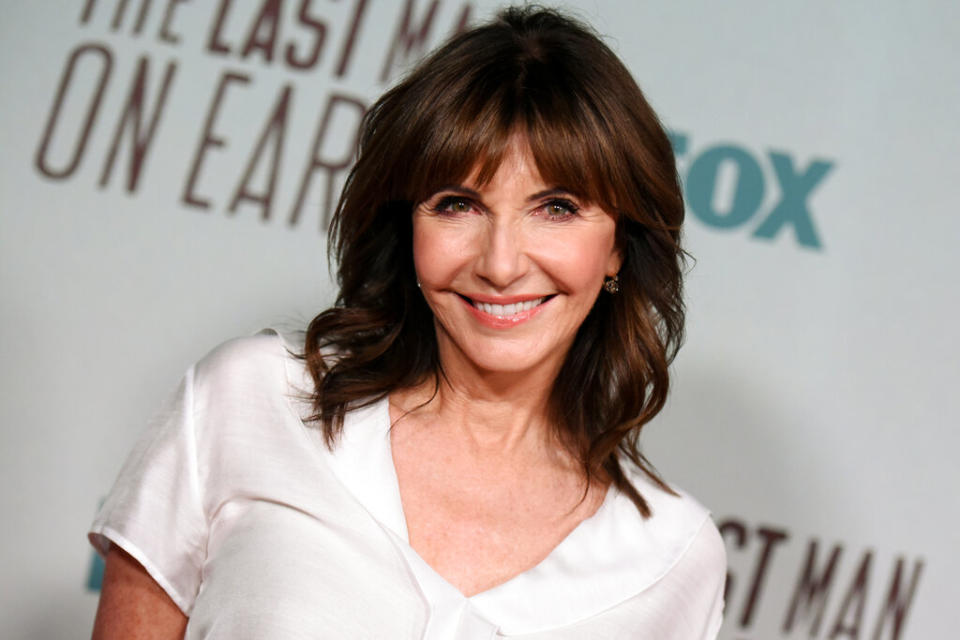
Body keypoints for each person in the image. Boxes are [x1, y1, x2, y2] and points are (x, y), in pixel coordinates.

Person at [89, 6, 726, 639]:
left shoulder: (673, 557)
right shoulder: (250, 401)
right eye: (457, 205)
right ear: (408, 225)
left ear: (618, 245)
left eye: (556, 208)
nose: (501, 265)